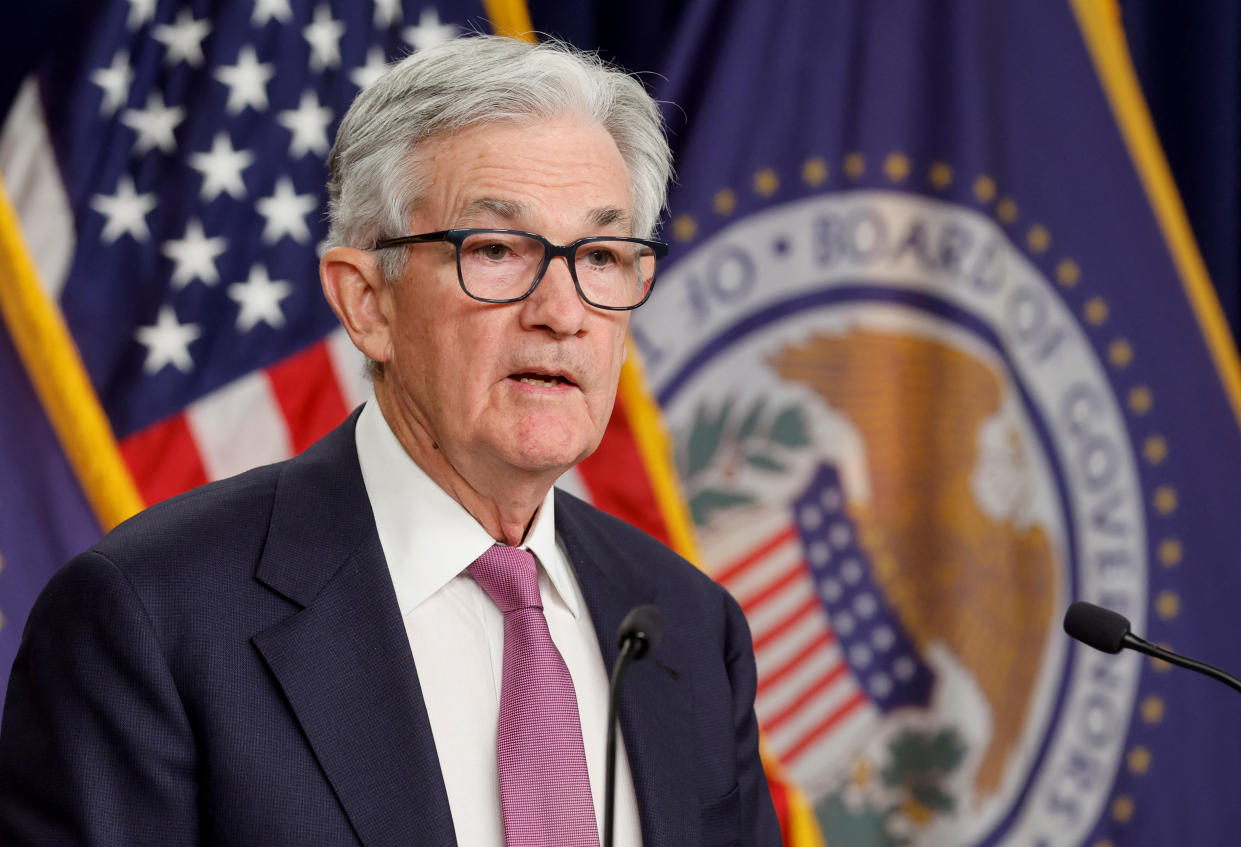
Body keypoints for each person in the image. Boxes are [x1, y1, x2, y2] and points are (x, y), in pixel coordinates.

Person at [0, 36, 780, 847]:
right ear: (367, 301)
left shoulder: (687, 625)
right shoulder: (150, 618)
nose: (563, 311)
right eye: (496, 250)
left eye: (602, 255)